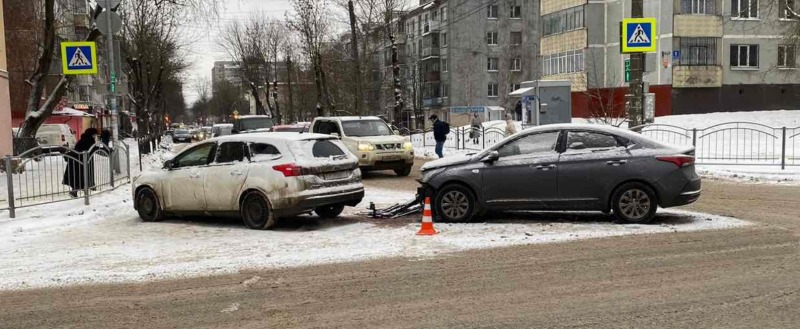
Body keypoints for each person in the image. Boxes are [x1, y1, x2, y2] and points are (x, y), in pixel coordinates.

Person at [63, 128, 99, 197]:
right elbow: (92, 149)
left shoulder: (83, 139)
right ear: (91, 134)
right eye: (94, 134)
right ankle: (75, 192)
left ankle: (77, 191)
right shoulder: (89, 140)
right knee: (81, 176)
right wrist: (105, 150)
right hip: (80, 161)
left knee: (80, 176)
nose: (95, 136)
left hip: (78, 160)